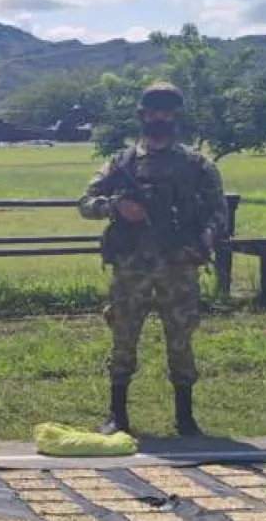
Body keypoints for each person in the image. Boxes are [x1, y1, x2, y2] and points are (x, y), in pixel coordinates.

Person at [78, 83, 229, 437]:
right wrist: (116, 207)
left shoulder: (197, 164)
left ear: (175, 116)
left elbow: (217, 211)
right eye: (153, 111)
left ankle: (185, 418)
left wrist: (206, 236)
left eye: (165, 112)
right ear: (142, 115)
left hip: (179, 266)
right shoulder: (121, 163)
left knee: (181, 339)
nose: (159, 117)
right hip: (132, 268)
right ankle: (117, 415)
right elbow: (86, 203)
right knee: (123, 338)